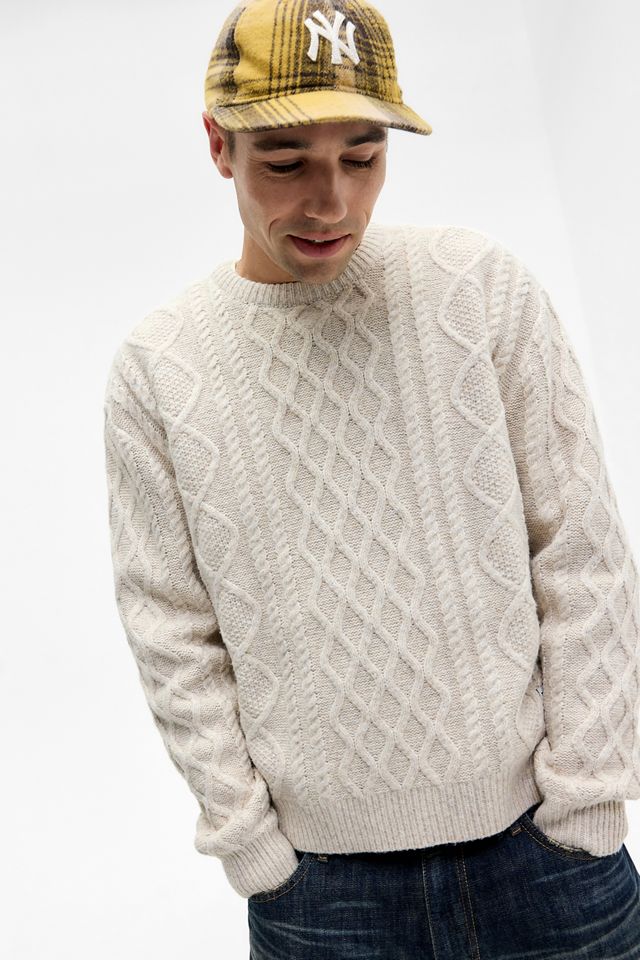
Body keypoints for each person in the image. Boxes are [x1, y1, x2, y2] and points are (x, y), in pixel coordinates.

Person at [102, 0, 640, 956]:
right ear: (219, 145)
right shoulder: (161, 368)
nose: (333, 202)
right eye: (287, 163)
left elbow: (582, 552)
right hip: (325, 899)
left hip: (548, 862)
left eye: (363, 156)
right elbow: (170, 627)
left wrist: (588, 801)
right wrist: (254, 849)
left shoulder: (479, 290)